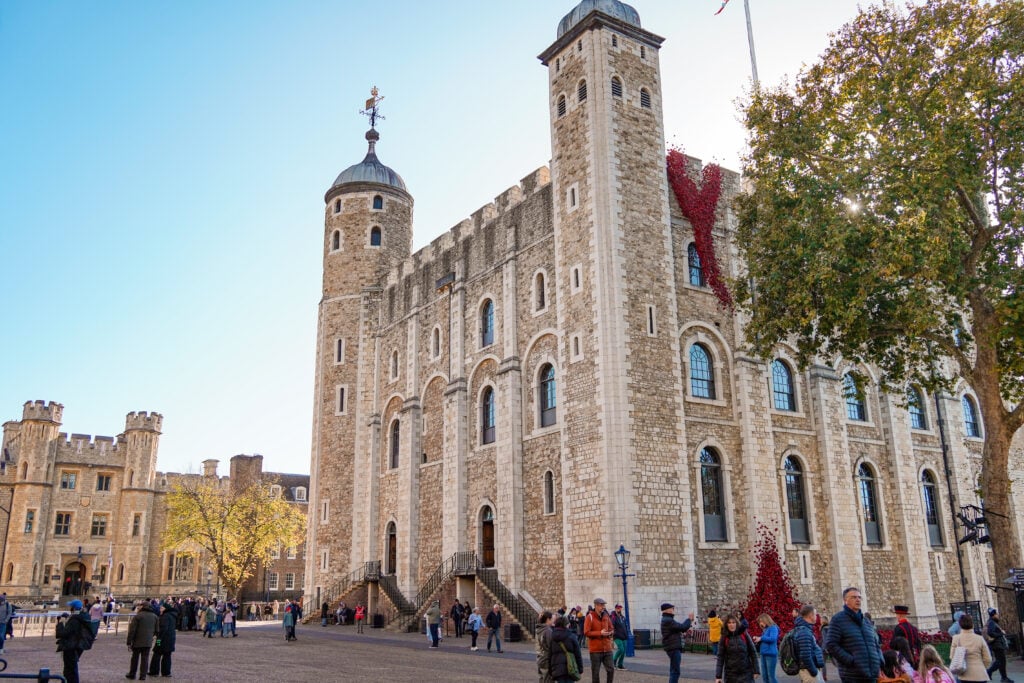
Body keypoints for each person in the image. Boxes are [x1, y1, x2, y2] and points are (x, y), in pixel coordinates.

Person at [824, 587, 882, 683]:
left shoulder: (866, 621)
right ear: (845, 600)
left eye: (859, 597)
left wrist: (880, 659)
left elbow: (876, 643)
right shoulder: (838, 620)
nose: (858, 600)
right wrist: (851, 661)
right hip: (852, 675)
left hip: (872, 675)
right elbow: (831, 645)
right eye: (854, 597)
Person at [55, 599, 94, 683]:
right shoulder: (81, 617)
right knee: (71, 669)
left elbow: (62, 634)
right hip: (76, 645)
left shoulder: (75, 620)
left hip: (71, 646)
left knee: (70, 670)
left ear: (73, 608)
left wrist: (60, 623)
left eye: (71, 607)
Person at [716, 612, 759, 683]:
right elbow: (720, 657)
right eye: (729, 623)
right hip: (731, 675)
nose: (731, 625)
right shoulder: (724, 637)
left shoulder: (744, 634)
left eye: (733, 622)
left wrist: (756, 670)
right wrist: (718, 676)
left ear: (737, 623)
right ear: (726, 624)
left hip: (746, 673)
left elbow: (753, 652)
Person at [951, 614, 991, 683]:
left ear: (960, 625)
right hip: (980, 674)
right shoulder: (979, 639)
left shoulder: (956, 639)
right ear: (972, 624)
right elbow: (988, 659)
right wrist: (982, 666)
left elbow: (952, 657)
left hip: (963, 675)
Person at [661, 602, 694, 683]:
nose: (673, 610)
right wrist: (689, 619)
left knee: (673, 669)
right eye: (672, 608)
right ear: (667, 610)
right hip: (673, 647)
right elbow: (682, 627)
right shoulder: (668, 620)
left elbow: (678, 628)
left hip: (672, 646)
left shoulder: (667, 619)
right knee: (675, 671)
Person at [584, 597, 615, 682]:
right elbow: (586, 632)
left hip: (607, 648)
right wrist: (599, 633)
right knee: (595, 672)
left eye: (604, 605)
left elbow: (611, 628)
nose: (603, 607)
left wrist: (611, 632)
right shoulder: (589, 617)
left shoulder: (606, 616)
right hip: (595, 650)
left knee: (611, 670)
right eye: (602, 605)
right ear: (596, 605)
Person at [125, 600, 158, 680]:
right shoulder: (155, 616)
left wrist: (129, 642)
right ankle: (143, 675)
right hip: (148, 641)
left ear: (142, 607)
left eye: (140, 606)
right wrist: (150, 636)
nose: (138, 607)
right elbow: (157, 630)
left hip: (137, 641)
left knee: (135, 658)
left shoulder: (138, 616)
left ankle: (132, 674)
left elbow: (132, 630)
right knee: (145, 659)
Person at [793, 605, 825, 683]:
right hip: (809, 671)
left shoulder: (805, 629)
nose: (816, 617)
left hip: (809, 669)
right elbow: (805, 655)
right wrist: (814, 671)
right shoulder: (804, 632)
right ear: (811, 616)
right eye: (815, 614)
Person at [550, 615, 584, 683]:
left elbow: (549, 654)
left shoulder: (552, 636)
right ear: (566, 625)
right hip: (570, 666)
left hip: (557, 668)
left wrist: (550, 669)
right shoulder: (571, 636)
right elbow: (578, 654)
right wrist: (580, 668)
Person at [148, 601, 178, 679]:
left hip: (162, 640)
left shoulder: (165, 616)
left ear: (165, 609)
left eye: (162, 608)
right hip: (170, 639)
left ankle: (154, 671)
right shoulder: (172, 616)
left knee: (156, 654)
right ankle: (166, 672)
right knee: (167, 656)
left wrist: (158, 641)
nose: (160, 609)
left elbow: (163, 630)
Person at [985, 608, 1013, 683]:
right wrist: (1001, 633)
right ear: (994, 615)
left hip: (997, 645)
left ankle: (1003, 677)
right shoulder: (991, 622)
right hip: (997, 645)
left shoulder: (992, 622)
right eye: (997, 614)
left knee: (1000, 661)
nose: (998, 615)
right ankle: (995, 674)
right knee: (1001, 662)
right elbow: (991, 633)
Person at [753, 613, 779, 683]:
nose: (760, 623)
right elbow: (765, 639)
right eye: (759, 622)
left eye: (761, 621)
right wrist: (758, 639)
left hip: (771, 654)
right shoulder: (765, 629)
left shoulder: (773, 627)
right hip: (763, 654)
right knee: (764, 676)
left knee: (771, 676)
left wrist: (761, 638)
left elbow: (773, 638)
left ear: (766, 620)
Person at [536, 610, 554, 683]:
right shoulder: (548, 630)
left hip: (540, 657)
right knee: (547, 680)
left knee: (541, 679)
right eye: (551, 619)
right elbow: (551, 646)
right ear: (548, 619)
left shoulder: (539, 629)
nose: (553, 620)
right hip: (546, 659)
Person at [611, 604, 628, 671]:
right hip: (617, 636)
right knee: (621, 649)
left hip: (624, 636)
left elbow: (625, 626)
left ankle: (620, 665)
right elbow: (612, 626)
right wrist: (613, 634)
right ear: (615, 609)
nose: (619, 609)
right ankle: (613, 662)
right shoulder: (613, 617)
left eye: (620, 608)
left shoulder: (622, 617)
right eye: (618, 608)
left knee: (623, 652)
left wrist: (626, 633)